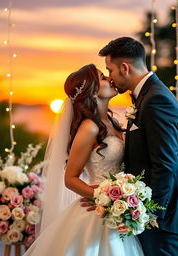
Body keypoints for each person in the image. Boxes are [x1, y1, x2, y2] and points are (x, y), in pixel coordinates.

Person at [24, 64, 144, 256]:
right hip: (97, 211)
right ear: (93, 92)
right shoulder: (89, 128)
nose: (110, 79)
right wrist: (104, 200)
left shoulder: (112, 122)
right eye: (103, 78)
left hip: (116, 207)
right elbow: (70, 178)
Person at [98, 37, 178, 256]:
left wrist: (148, 214)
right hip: (151, 215)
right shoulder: (147, 96)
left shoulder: (156, 100)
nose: (110, 77)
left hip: (162, 219)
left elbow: (165, 164)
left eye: (111, 70)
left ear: (125, 68)